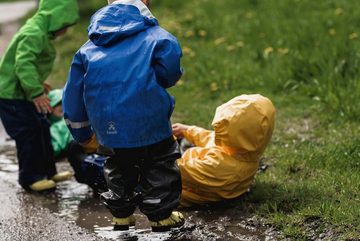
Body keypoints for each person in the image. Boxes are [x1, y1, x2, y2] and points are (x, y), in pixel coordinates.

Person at [63, 0, 184, 232]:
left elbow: (73, 95)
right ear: (145, 2)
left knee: (118, 166)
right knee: (159, 164)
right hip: (151, 121)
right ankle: (160, 215)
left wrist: (81, 131)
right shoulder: (158, 37)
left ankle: (121, 216)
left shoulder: (87, 49)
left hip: (109, 128)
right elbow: (169, 73)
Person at [0, 0, 79, 192]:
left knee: (43, 127)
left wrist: (37, 83)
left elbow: (26, 65)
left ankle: (48, 172)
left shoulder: (41, 29)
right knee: (29, 133)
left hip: (20, 92)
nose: (66, 30)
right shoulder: (34, 33)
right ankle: (30, 177)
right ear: (56, 18)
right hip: (11, 96)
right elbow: (23, 64)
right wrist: (36, 92)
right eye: (65, 25)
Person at [172, 94, 276, 207]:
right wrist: (187, 130)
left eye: (224, 129)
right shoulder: (243, 148)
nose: (217, 131)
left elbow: (176, 171)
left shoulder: (220, 167)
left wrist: (155, 159)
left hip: (184, 191)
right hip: (197, 174)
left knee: (157, 186)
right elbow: (210, 138)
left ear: (236, 135)